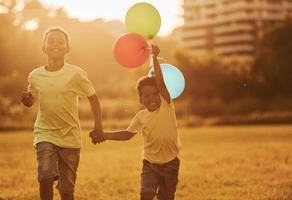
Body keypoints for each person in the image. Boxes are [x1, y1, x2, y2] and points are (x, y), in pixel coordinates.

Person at [21, 27, 104, 200]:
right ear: (43, 47)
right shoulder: (35, 76)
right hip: (45, 133)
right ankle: (51, 172)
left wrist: (98, 128)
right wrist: (27, 100)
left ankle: (58, 176)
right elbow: (32, 97)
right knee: (44, 176)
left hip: (70, 137)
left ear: (68, 48)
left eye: (60, 41)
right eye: (50, 41)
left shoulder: (76, 74)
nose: (55, 44)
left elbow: (93, 98)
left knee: (66, 191)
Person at [91, 44, 181, 200]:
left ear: (160, 94)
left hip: (170, 164)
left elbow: (160, 83)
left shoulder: (166, 105)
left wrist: (154, 58)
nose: (151, 98)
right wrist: (103, 135)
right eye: (146, 96)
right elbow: (127, 134)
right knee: (145, 196)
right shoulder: (141, 116)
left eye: (155, 95)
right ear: (140, 100)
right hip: (150, 164)